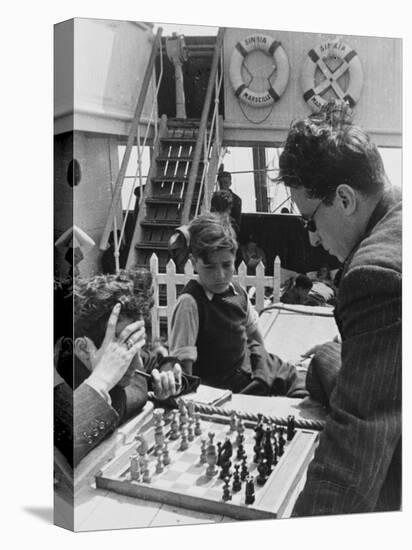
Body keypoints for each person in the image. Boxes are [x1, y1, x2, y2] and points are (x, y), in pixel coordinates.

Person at [278, 99, 401, 515]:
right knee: (328, 360)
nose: (312, 239)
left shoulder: (374, 275)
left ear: (345, 199)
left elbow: (354, 451)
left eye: (309, 220)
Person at [54, 269, 199, 467]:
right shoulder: (59, 387)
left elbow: (154, 363)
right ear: (83, 349)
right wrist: (100, 382)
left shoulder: (133, 361)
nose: (135, 361)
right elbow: (72, 442)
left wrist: (169, 376)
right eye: (125, 348)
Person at [169, 213, 306, 397]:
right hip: (226, 388)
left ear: (235, 259)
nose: (220, 275)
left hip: (251, 367)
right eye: (210, 267)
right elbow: (184, 366)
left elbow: (253, 331)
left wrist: (264, 364)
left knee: (303, 381)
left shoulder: (238, 291)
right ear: (194, 263)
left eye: (226, 265)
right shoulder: (190, 303)